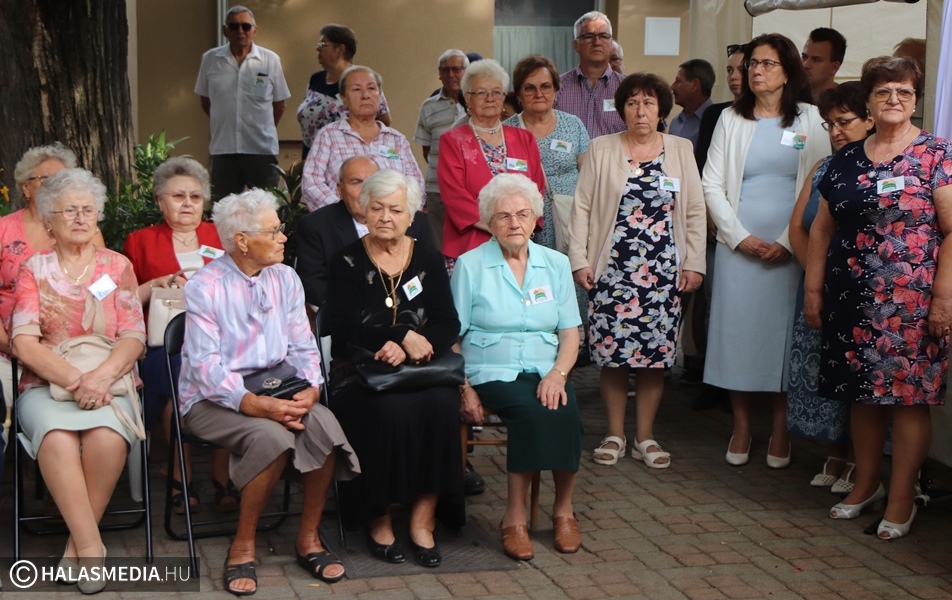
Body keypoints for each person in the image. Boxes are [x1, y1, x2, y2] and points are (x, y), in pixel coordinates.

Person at [178, 189, 359, 595]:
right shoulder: (205, 285)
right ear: (242, 241)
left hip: (281, 386)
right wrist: (254, 404)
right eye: (274, 231)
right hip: (214, 398)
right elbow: (204, 367)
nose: (283, 238)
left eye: (281, 229)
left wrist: (311, 388)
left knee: (324, 426)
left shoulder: (286, 278)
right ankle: (243, 545)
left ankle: (308, 537)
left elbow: (302, 344)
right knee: (271, 436)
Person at [804, 56, 952, 540]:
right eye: (884, 91)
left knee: (909, 399)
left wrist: (944, 299)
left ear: (916, 100)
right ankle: (865, 484)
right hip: (850, 297)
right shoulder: (844, 159)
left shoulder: (936, 154)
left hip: (913, 302)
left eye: (904, 92)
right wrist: (813, 291)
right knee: (860, 393)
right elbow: (821, 229)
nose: (894, 99)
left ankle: (902, 497)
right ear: (867, 101)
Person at [12, 168, 145, 594]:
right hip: (46, 384)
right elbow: (23, 342)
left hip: (110, 379)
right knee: (56, 439)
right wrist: (76, 380)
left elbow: (134, 336)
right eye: (69, 210)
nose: (81, 217)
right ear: (48, 220)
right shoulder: (33, 269)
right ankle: (90, 548)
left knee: (108, 437)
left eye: (88, 209)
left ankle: (76, 546)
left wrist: (100, 378)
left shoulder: (117, 266)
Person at [702, 33, 830, 468]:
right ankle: (741, 427)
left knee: (783, 340)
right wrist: (738, 236)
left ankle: (780, 429)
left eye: (766, 63)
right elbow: (711, 184)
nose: (756, 71)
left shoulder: (811, 118)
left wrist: (787, 240)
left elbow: (819, 184)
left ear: (788, 71)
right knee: (736, 335)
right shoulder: (730, 118)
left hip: (793, 246)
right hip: (739, 247)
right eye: (751, 63)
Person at [325, 169, 463, 567]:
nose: (386, 217)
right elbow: (341, 328)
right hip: (360, 371)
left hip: (421, 368)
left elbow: (447, 322)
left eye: (396, 209)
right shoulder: (346, 261)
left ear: (412, 214)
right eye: (377, 208)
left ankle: (423, 518)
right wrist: (399, 336)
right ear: (364, 211)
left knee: (441, 405)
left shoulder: (428, 258)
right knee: (386, 412)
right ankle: (378, 517)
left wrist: (418, 345)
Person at [569, 73, 707, 469]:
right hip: (611, 271)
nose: (640, 110)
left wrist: (694, 263)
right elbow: (581, 208)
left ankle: (645, 436)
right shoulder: (601, 148)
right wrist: (579, 259)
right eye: (632, 103)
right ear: (621, 109)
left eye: (648, 102)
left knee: (655, 357)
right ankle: (614, 434)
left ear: (661, 109)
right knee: (613, 356)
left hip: (663, 273)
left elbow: (694, 210)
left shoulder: (680, 149)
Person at [452, 174, 583, 561]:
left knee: (566, 410)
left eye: (523, 214)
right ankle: (514, 517)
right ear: (489, 222)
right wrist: (464, 387)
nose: (514, 223)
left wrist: (558, 374)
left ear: (535, 218)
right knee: (530, 411)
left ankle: (564, 511)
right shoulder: (470, 265)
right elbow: (451, 336)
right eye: (504, 216)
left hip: (545, 367)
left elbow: (570, 334)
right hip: (491, 369)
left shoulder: (555, 264)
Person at [122, 157, 233, 514]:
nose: (187, 204)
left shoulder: (223, 237)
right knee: (178, 380)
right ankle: (180, 475)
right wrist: (156, 283)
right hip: (164, 344)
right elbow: (123, 301)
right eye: (178, 196)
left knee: (227, 376)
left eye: (195, 197)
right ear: (160, 201)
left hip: (223, 339)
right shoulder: (140, 242)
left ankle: (221, 475)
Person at [787, 82, 873, 492]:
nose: (836, 131)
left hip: (862, 291)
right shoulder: (823, 166)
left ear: (869, 119)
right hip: (820, 287)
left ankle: (860, 460)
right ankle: (834, 452)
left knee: (860, 376)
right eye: (829, 123)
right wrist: (817, 280)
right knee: (825, 373)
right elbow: (799, 228)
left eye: (844, 122)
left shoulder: (882, 166)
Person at [1, 144, 89, 420]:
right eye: (46, 179)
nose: (56, 185)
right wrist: (17, 346)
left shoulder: (84, 231)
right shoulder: (3, 230)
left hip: (72, 352)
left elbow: (104, 289)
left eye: (63, 179)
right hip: (7, 351)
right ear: (26, 188)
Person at [437, 58, 545, 272]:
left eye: (496, 92)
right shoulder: (452, 141)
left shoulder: (524, 138)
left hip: (518, 244)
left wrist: (517, 227)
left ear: (504, 97)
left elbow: (537, 190)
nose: (490, 98)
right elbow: (454, 195)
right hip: (471, 245)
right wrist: (500, 226)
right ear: (467, 98)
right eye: (481, 92)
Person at [295, 156, 431, 308]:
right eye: (356, 182)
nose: (365, 189)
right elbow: (312, 283)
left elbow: (429, 276)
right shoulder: (316, 225)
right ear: (340, 190)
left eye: (373, 182)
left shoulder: (415, 220)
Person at [195, 6, 291, 201]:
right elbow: (206, 101)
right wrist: (225, 120)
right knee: (223, 208)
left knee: (265, 207)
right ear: (225, 30)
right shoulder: (210, 60)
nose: (240, 31)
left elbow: (279, 105)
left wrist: (262, 127)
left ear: (254, 31)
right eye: (234, 26)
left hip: (261, 150)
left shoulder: (270, 60)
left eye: (246, 26)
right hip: (223, 150)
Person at [302, 65, 424, 211]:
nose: (365, 95)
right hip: (342, 220)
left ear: (380, 96)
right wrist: (344, 212)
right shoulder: (329, 135)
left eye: (371, 88)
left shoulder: (397, 140)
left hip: (391, 220)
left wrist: (394, 213)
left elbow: (416, 185)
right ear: (344, 98)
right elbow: (312, 182)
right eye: (356, 89)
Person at [504, 54, 590, 253]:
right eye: (530, 88)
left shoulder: (573, 125)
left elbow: (589, 178)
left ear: (556, 90)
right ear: (518, 94)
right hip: (523, 225)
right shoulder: (506, 132)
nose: (539, 94)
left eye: (545, 86)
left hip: (569, 220)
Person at [296, 23, 392, 159]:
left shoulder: (361, 80)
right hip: (313, 156)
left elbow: (384, 120)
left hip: (348, 158)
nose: (318, 48)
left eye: (323, 44)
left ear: (340, 49)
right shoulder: (315, 79)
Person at [414, 49, 469, 251]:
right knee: (439, 245)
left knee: (468, 243)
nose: (451, 75)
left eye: (456, 69)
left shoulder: (476, 103)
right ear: (439, 74)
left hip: (469, 189)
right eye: (445, 70)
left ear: (466, 71)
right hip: (436, 188)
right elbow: (427, 150)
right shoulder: (428, 107)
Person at [555, 11, 626, 139]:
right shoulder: (557, 88)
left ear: (611, 44)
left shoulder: (627, 89)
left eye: (603, 36)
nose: (597, 42)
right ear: (576, 45)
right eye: (589, 36)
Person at [695, 44, 747, 171]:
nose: (733, 77)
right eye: (729, 70)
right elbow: (702, 163)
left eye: (741, 70)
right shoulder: (713, 114)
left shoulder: (767, 115)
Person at [669, 59, 716, 148]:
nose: (672, 87)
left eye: (678, 81)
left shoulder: (717, 121)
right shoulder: (676, 122)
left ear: (695, 85)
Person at [802, 28, 846, 104]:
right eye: (804, 57)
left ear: (834, 67)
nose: (806, 65)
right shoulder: (789, 98)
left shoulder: (845, 104)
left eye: (816, 60)